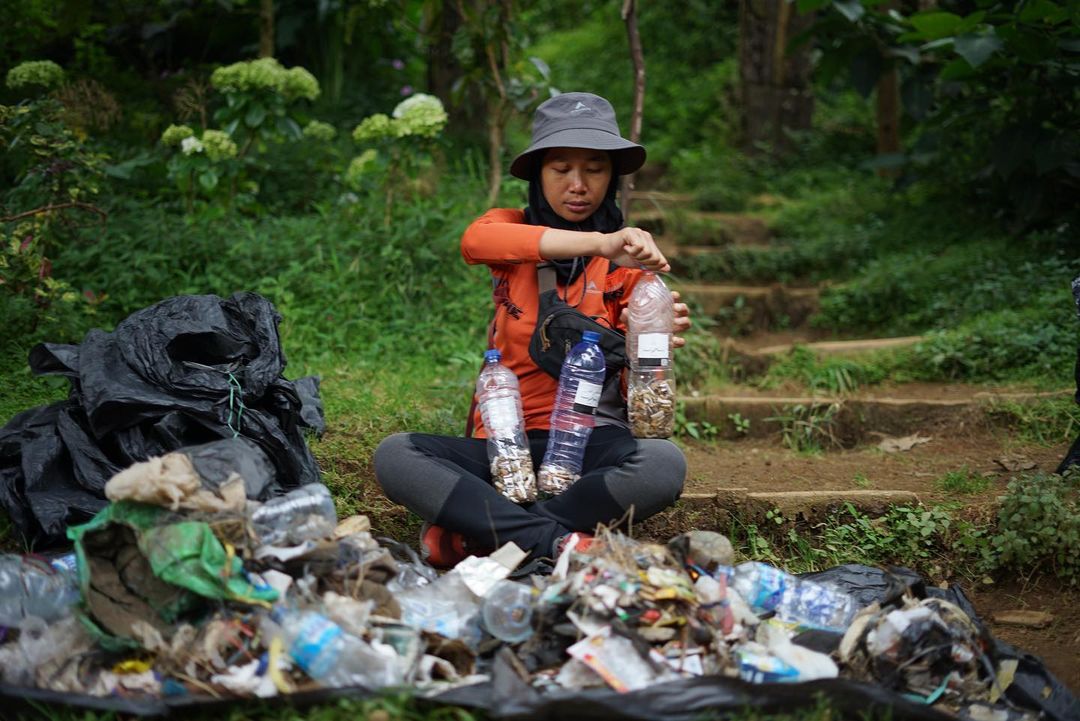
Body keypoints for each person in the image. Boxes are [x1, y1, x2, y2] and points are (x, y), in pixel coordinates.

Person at [374, 92, 691, 568]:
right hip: (503, 446)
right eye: (561, 169)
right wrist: (603, 243)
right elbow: (475, 240)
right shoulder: (512, 231)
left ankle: (491, 537)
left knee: (664, 464)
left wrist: (642, 348)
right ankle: (559, 541)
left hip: (587, 446)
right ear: (538, 175)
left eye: (595, 169)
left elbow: (641, 404)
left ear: (613, 177)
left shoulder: (630, 271)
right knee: (395, 455)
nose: (578, 185)